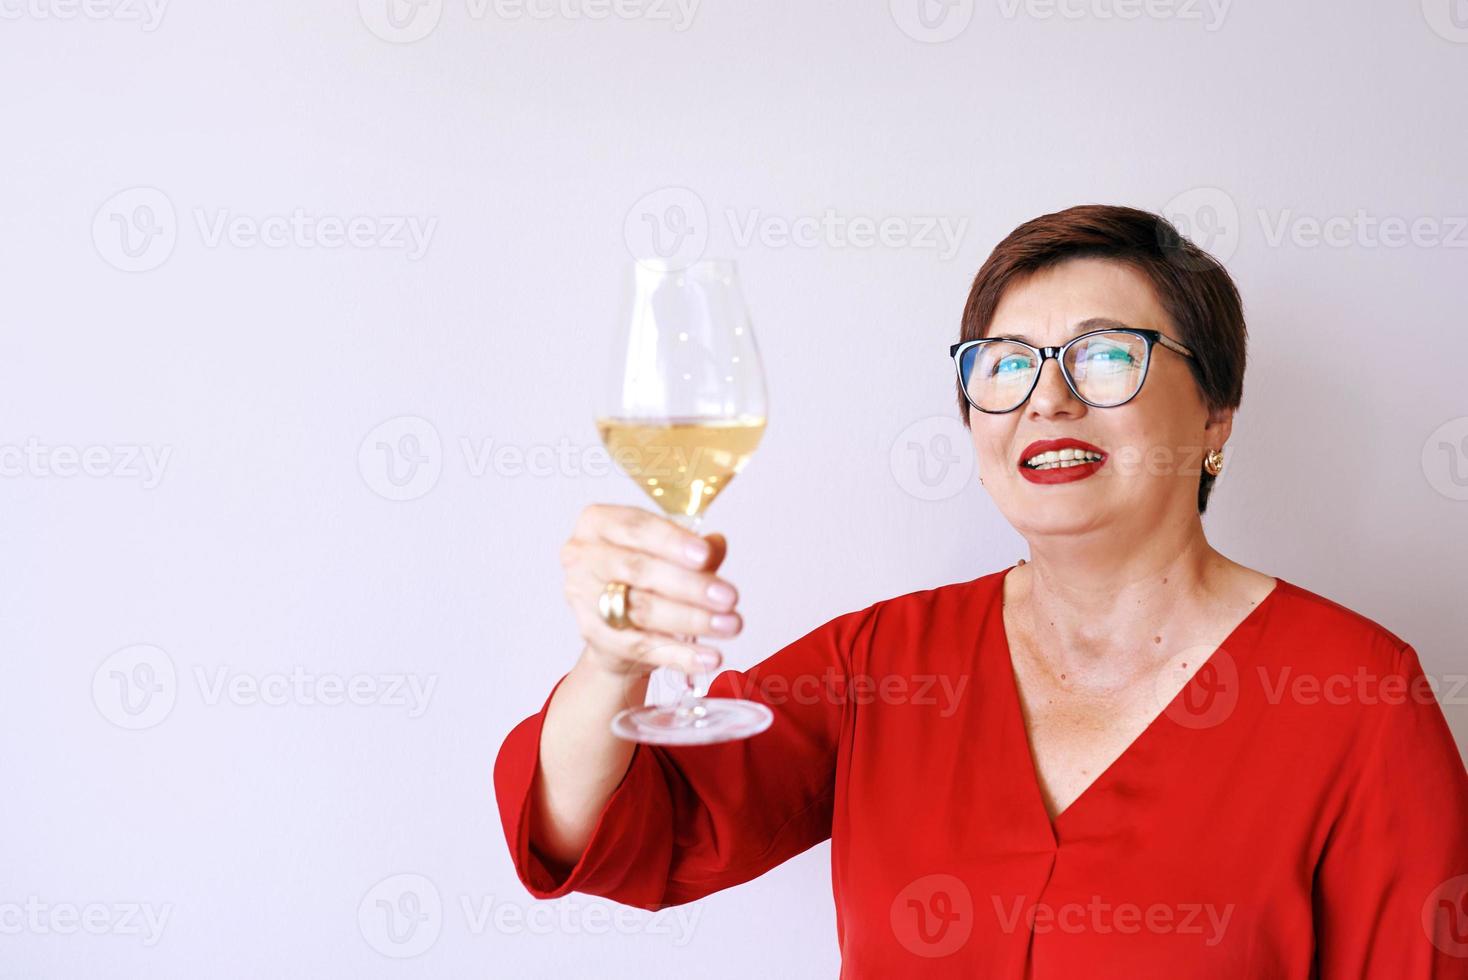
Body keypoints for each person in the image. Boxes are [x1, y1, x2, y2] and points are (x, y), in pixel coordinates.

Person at [493, 204, 1468, 976]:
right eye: (1004, 364)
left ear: (1215, 415)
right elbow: (615, 829)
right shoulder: (883, 665)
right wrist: (611, 660)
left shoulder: (1358, 697)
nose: (1047, 396)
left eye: (1105, 354)